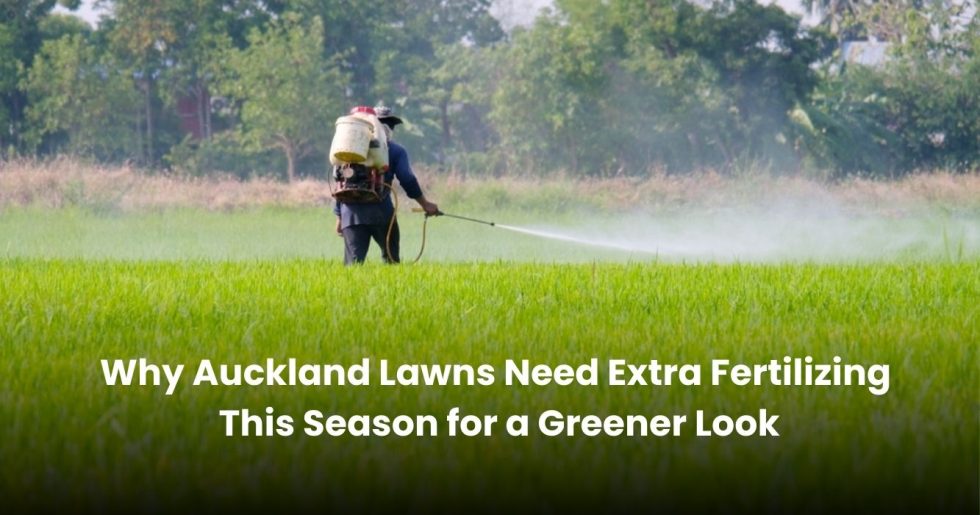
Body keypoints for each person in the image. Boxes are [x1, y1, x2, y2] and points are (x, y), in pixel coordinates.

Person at [333, 105, 440, 264]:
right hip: (381, 211)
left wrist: (340, 217)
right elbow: (407, 179)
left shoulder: (347, 149)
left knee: (353, 265)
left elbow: (340, 182)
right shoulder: (395, 150)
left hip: (351, 213)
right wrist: (425, 204)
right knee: (391, 263)